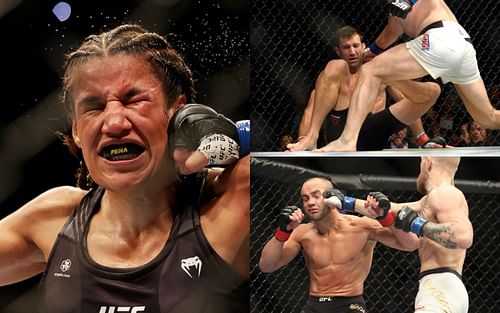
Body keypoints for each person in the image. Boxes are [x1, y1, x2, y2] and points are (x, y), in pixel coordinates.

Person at [0, 24, 250, 313]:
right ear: (78, 131)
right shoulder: (53, 220)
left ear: (177, 111)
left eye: (134, 100)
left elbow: (305, 162)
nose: (115, 123)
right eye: (94, 107)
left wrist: (239, 135)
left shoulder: (226, 207)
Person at [320, 0, 500, 151]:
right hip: (462, 45)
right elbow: (390, 34)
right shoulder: (396, 10)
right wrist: (369, 53)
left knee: (370, 71)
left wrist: (409, 1)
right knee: (486, 117)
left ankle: (347, 140)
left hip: (440, 37)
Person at [258, 177, 419, 313]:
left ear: (330, 196)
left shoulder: (361, 226)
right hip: (314, 305)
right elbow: (266, 266)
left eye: (316, 196)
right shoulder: (301, 233)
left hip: (349, 305)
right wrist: (282, 232)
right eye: (305, 198)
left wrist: (385, 217)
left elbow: (411, 244)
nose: (310, 203)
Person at [287, 26, 441, 151]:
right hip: (340, 131)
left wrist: (422, 138)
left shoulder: (378, 72)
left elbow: (408, 101)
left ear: (364, 47)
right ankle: (311, 139)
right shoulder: (330, 78)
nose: (352, 52)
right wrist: (303, 140)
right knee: (335, 66)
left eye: (355, 46)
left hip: (373, 132)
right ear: (338, 51)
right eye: (346, 47)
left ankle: (421, 138)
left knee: (433, 89)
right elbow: (309, 112)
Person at [360, 157, 473, 312]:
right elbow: (389, 208)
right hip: (441, 287)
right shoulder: (430, 199)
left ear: (428, 162)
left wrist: (417, 225)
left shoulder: (444, 193)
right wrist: (347, 202)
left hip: (440, 288)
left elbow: (463, 237)